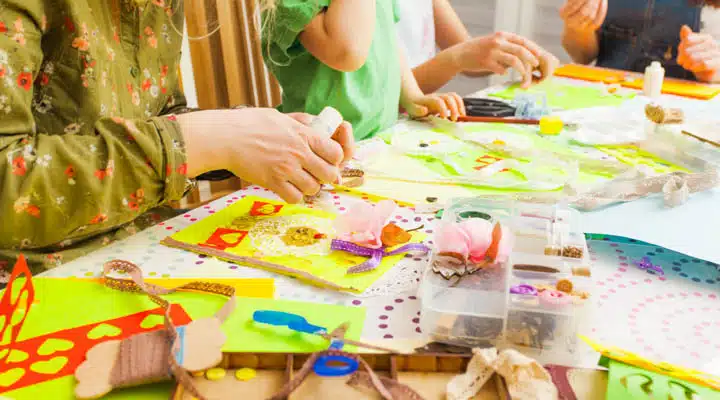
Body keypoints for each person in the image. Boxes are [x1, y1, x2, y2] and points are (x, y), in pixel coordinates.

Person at [0, 0, 354, 273]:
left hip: (146, 250)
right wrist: (207, 141)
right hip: (32, 283)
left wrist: (247, 135)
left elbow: (157, 120)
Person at [260, 0, 466, 142]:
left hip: (381, 140)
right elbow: (346, 53)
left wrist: (413, 95)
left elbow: (386, 37)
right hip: (323, 152)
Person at [395, 0, 560, 94]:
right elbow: (381, 95)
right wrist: (455, 58)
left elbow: (468, 53)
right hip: (378, 131)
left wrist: (517, 52)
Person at [560, 0, 720, 82]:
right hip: (606, 100)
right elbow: (582, 56)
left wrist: (713, 69)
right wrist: (579, 26)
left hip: (685, 112)